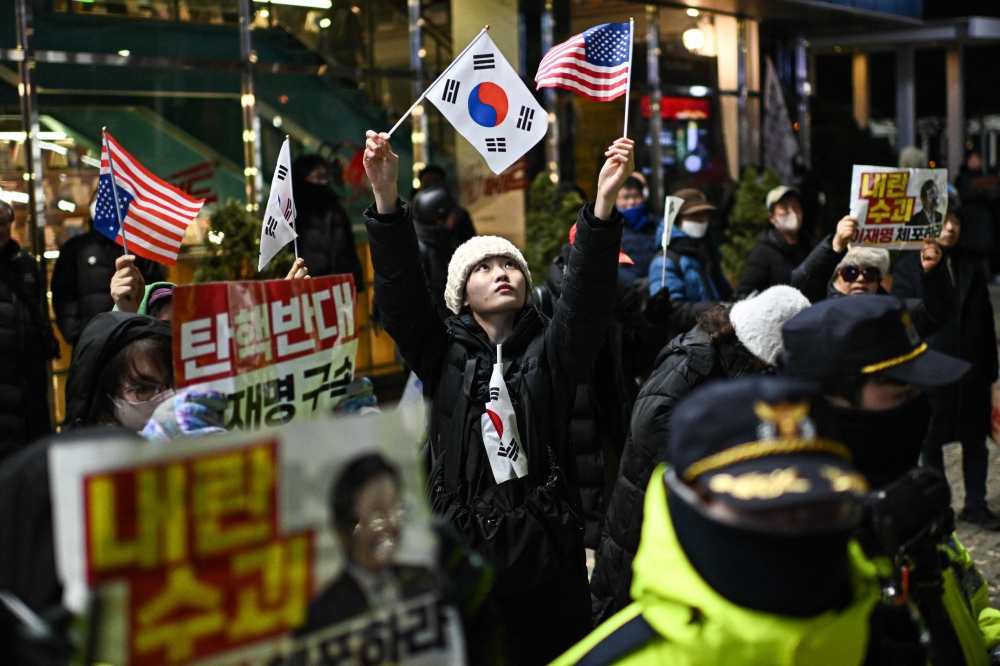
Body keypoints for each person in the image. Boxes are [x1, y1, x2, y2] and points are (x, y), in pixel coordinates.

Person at [362, 128, 634, 665]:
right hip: (458, 547)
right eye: (481, 269)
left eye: (508, 265)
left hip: (544, 553)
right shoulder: (441, 354)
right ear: (461, 294)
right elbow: (400, 296)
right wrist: (386, 198)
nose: (500, 273)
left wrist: (602, 208)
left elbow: (586, 301)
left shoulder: (551, 351)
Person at [556, 377, 880, 666]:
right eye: (761, 510)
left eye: (818, 508)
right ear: (688, 505)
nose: (796, 529)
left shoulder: (881, 611)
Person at [782, 295, 1000, 659]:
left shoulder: (909, 497)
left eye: (919, 392)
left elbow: (969, 603)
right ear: (829, 402)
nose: (919, 407)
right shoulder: (790, 537)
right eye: (901, 391)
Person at [590, 285, 810, 624]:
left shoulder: (732, 355)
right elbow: (650, 426)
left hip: (681, 504)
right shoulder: (695, 357)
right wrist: (721, 463)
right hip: (646, 501)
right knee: (622, 607)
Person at [530, 224, 671, 550]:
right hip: (570, 416)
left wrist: (653, 322)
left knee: (612, 495)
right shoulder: (547, 298)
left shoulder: (618, 296)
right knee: (580, 499)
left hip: (613, 407)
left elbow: (637, 360)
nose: (611, 269)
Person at [892, 208, 1000, 530]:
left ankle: (976, 503)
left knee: (974, 439)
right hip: (930, 369)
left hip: (970, 369)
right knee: (931, 442)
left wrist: (992, 373)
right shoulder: (908, 268)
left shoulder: (970, 266)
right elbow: (902, 318)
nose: (950, 229)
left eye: (956, 223)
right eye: (944, 223)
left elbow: (984, 320)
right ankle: (939, 506)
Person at [300, 454, 435, 633]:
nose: (388, 525)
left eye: (395, 510)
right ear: (343, 530)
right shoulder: (321, 615)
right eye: (376, 514)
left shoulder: (425, 580)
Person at [50, 189, 163, 346]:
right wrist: (77, 333)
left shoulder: (137, 248)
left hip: (135, 338)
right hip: (92, 341)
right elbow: (63, 294)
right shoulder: (75, 249)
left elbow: (155, 289)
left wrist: (146, 326)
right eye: (99, 200)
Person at [0, 199, 58, 462]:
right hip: (4, 369)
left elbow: (35, 308)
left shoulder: (24, 262)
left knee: (32, 441)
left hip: (28, 368)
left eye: (3, 222)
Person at [647, 188, 731, 340]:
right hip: (685, 344)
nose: (701, 219)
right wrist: (718, 308)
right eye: (694, 215)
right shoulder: (664, 261)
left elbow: (723, 291)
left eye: (704, 214)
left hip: (713, 338)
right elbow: (673, 310)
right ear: (677, 219)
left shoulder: (706, 251)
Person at [291, 154, 363, 287]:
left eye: (325, 177)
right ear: (302, 178)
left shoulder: (335, 209)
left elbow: (349, 248)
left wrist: (356, 280)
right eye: (318, 177)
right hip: (309, 288)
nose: (323, 182)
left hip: (340, 287)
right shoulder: (293, 213)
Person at [736, 185, 817, 298]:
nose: (792, 212)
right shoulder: (763, 253)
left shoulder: (811, 246)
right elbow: (745, 294)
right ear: (772, 217)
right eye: (784, 207)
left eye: (795, 206)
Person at [413, 187, 475, 320]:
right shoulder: (420, 250)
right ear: (439, 219)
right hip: (430, 329)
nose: (455, 217)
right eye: (451, 214)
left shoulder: (441, 239)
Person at [616, 175, 661, 286]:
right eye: (625, 197)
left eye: (636, 196)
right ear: (616, 199)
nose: (631, 202)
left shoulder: (657, 225)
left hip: (655, 286)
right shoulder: (609, 228)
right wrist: (635, 283)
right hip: (624, 291)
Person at [416, 164, 477, 242]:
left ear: (443, 184)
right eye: (426, 182)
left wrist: (450, 229)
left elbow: (469, 246)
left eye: (435, 181)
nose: (431, 185)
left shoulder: (459, 215)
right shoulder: (412, 216)